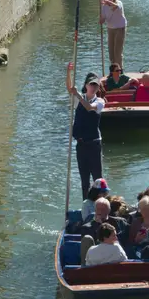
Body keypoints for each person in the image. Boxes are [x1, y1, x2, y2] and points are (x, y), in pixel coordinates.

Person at [65, 61, 105, 199]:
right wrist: (68, 72)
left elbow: (89, 108)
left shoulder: (100, 102)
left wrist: (77, 94)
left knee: (98, 179)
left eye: (96, 85)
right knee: (84, 180)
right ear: (86, 86)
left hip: (94, 144)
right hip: (81, 145)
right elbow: (70, 89)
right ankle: (86, 207)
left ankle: (101, 205)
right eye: (91, 84)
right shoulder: (78, 99)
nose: (93, 87)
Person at [100, 0, 127, 69]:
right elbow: (103, 18)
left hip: (120, 28)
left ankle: (120, 71)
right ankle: (113, 71)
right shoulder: (104, 6)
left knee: (117, 52)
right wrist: (101, 20)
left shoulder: (119, 3)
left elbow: (116, 7)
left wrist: (108, 2)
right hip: (110, 28)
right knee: (111, 52)